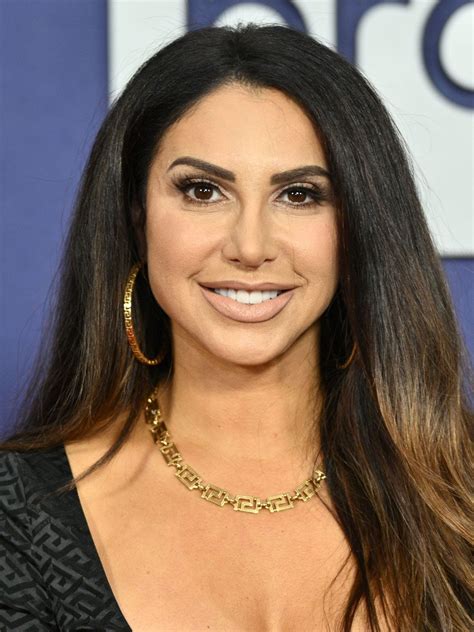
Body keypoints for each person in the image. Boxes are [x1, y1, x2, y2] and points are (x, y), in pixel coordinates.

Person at [0, 22, 471, 632]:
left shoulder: (459, 496)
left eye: (299, 195)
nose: (250, 246)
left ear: (358, 225)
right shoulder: (18, 516)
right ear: (137, 217)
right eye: (203, 191)